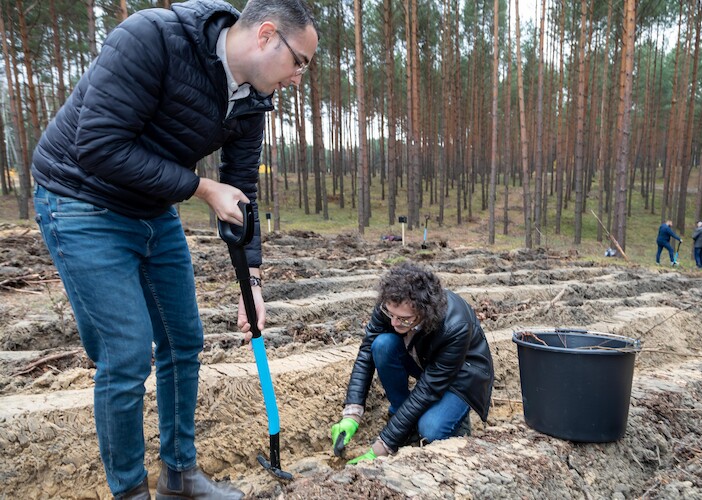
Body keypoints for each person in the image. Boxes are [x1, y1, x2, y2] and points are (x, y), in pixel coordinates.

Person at [31, 0, 318, 498]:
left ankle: (180, 476)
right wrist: (201, 189)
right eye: (300, 62)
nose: (298, 78)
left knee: (184, 340)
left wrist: (251, 284)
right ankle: (130, 491)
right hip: (80, 199)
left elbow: (241, 185)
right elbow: (97, 145)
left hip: (152, 205)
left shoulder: (252, 97)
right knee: (125, 355)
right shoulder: (153, 38)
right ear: (267, 35)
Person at [330, 262, 494, 463]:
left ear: (425, 312)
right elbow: (366, 353)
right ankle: (403, 420)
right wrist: (352, 415)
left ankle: (456, 421)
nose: (394, 323)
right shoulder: (392, 305)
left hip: (462, 375)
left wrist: (382, 446)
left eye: (404, 319)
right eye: (391, 315)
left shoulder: (455, 326)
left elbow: (427, 389)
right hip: (425, 361)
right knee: (382, 345)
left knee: (431, 430)